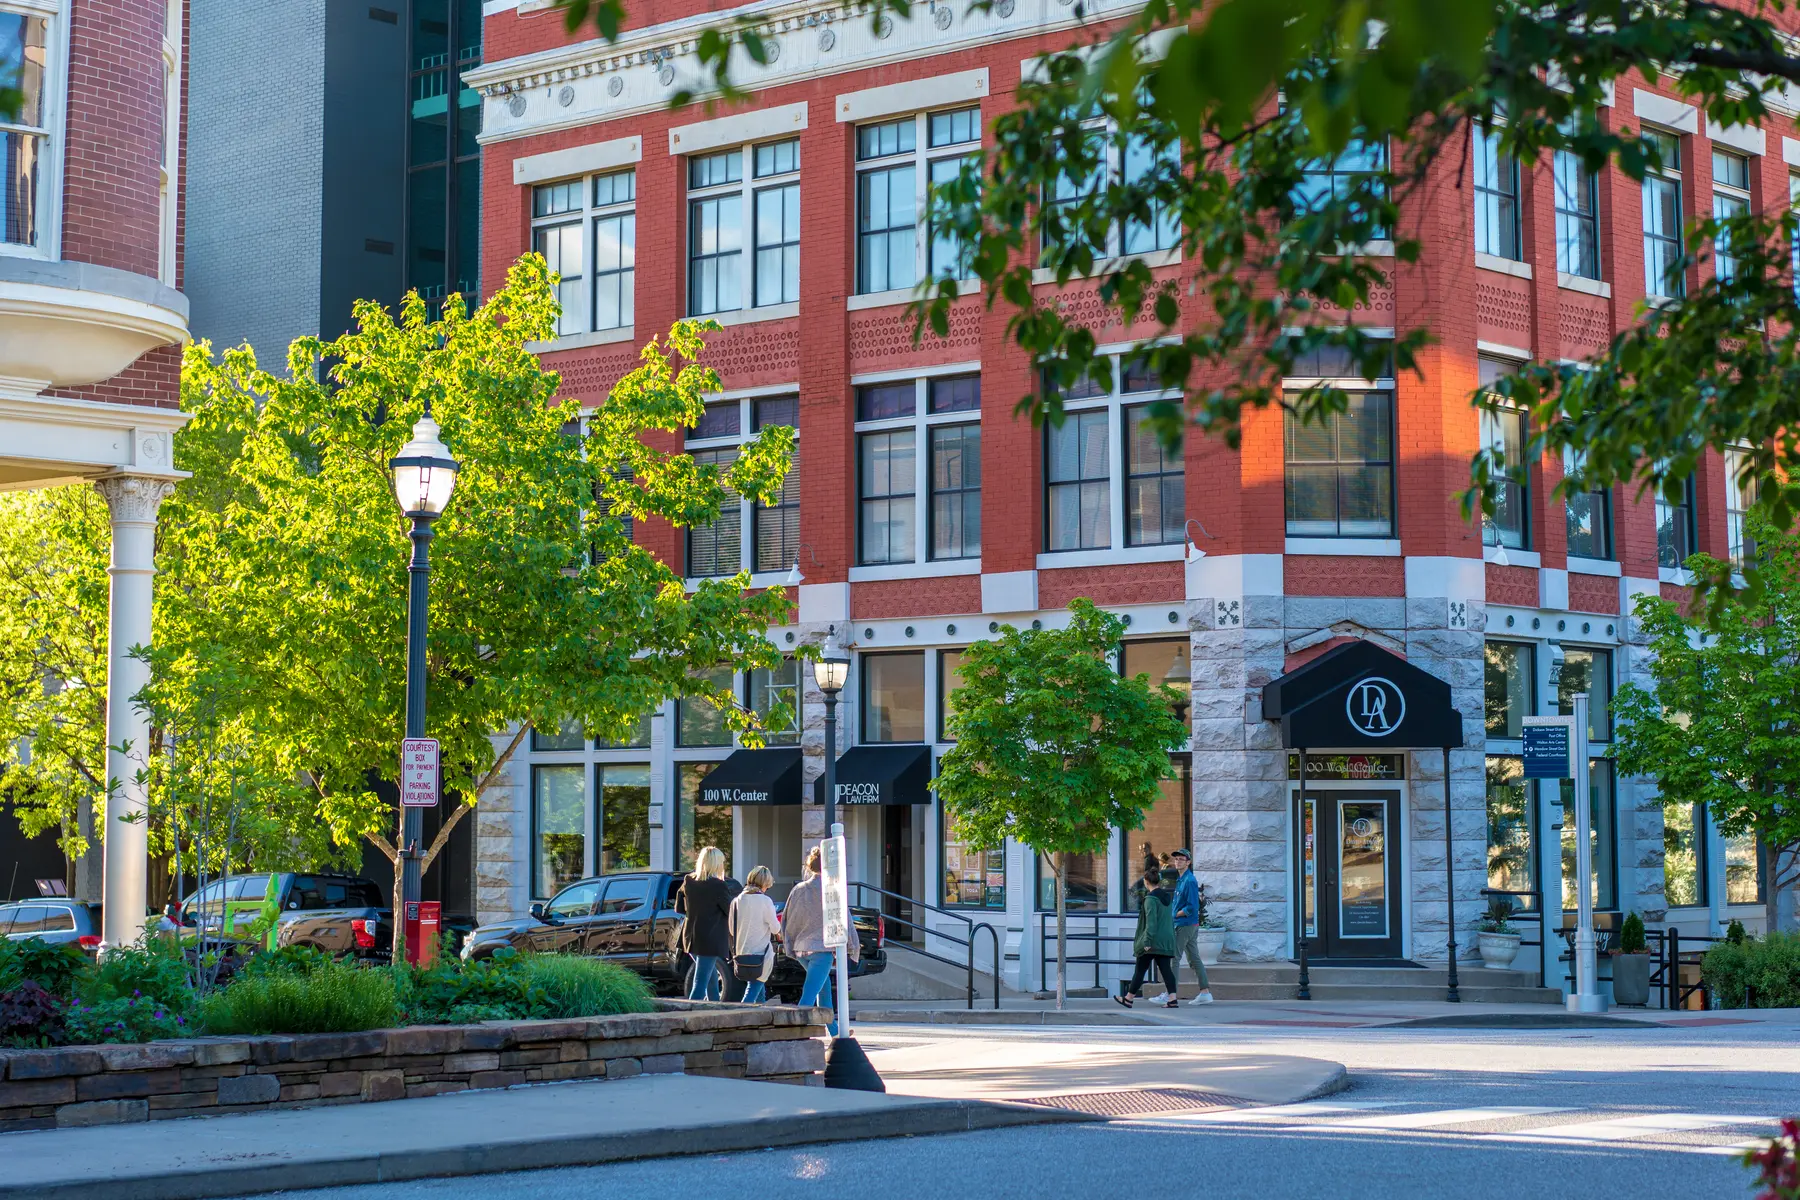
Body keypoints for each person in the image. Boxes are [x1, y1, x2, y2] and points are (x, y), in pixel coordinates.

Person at [782, 845, 859, 1036]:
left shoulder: (798, 889)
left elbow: (787, 919)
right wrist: (852, 945)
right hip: (821, 949)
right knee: (807, 998)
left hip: (801, 949)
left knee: (823, 992)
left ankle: (835, 1032)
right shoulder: (832, 890)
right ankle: (793, 1035)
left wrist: (789, 945)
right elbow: (844, 919)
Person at [674, 846, 734, 1001]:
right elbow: (730, 912)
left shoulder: (688, 880)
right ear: (715, 863)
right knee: (700, 982)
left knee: (711, 978)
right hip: (710, 939)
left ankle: (715, 1010)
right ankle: (691, 1015)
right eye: (721, 862)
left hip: (691, 938)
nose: (723, 865)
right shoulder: (718, 885)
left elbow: (679, 908)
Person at [1114, 867, 1177, 1008]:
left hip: (1152, 940)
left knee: (1140, 969)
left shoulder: (1150, 899)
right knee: (1166, 969)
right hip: (1166, 939)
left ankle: (1129, 998)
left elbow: (1151, 922)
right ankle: (1172, 999)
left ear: (1145, 881)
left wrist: (1147, 941)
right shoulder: (1167, 897)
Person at [1168, 848, 1215, 1005]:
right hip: (1187, 925)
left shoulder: (1189, 880)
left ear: (1188, 862)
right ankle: (1205, 992)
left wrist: (1176, 915)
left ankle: (1171, 995)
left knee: (1174, 958)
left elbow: (1192, 907)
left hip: (1184, 925)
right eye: (1176, 859)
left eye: (1182, 859)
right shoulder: (1182, 879)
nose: (1178, 861)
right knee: (1194, 959)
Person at [730, 865, 782, 1004]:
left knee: (759, 991)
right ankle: (740, 1018)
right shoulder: (765, 901)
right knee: (753, 989)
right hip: (761, 954)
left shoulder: (736, 901)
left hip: (741, 954)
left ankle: (761, 1019)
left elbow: (731, 928)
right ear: (764, 884)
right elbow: (776, 929)